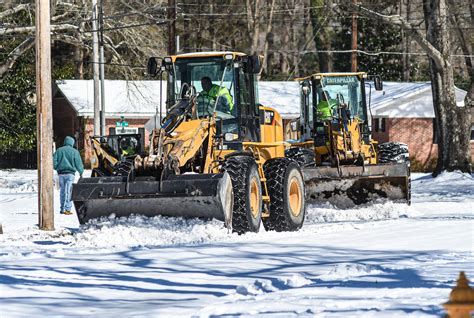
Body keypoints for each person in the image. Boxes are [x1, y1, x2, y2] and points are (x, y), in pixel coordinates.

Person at [53, 136, 84, 215]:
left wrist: (57, 167)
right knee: (69, 191)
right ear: (72, 143)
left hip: (61, 174)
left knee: (62, 191)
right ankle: (67, 209)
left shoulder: (59, 150)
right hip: (70, 174)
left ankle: (62, 209)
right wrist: (81, 171)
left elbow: (54, 161)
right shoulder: (75, 151)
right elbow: (78, 163)